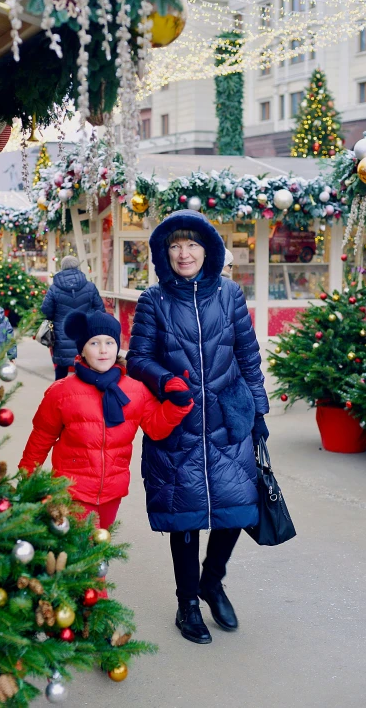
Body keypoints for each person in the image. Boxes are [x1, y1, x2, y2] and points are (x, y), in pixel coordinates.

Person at [126, 210, 269, 646]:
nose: (183, 253)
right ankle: (187, 604)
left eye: (191, 244)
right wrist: (164, 380)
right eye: (174, 245)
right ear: (163, 253)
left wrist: (258, 413)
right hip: (178, 421)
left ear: (208, 251)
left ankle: (212, 582)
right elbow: (137, 359)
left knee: (236, 508)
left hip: (229, 419)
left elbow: (247, 354)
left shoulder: (230, 295)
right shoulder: (153, 300)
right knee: (185, 517)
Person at [19, 310, 194, 533]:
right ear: (82, 348)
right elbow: (40, 438)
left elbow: (156, 427)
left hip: (112, 491)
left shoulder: (136, 390)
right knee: (77, 554)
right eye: (94, 343)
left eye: (109, 342)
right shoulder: (61, 392)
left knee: (100, 551)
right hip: (70, 490)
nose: (103, 350)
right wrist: (26, 479)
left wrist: (177, 404)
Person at [41, 255, 105, 381]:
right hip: (85, 333)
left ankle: (58, 396)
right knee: (85, 368)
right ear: (78, 266)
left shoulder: (54, 288)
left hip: (62, 333)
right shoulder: (90, 286)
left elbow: (46, 310)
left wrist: (56, 316)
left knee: (61, 372)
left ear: (62, 267)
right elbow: (100, 310)